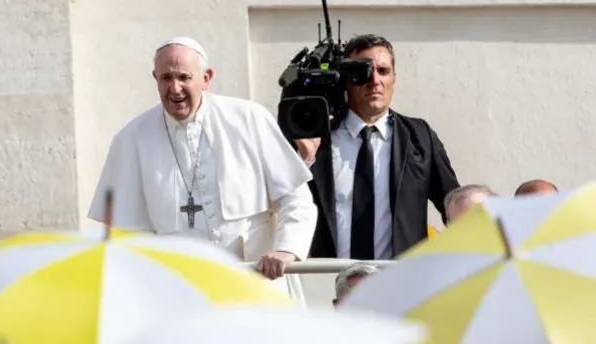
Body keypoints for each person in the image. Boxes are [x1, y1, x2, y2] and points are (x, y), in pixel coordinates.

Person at [88, 37, 318, 300]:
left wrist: (286, 250)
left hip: (256, 287)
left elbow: (296, 200)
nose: (175, 88)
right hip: (182, 296)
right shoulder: (132, 138)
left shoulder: (249, 119)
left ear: (206, 78)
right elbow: (128, 234)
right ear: (155, 79)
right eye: (166, 78)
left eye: (184, 77)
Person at [293, 34, 459, 260]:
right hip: (329, 275)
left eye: (383, 71)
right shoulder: (317, 138)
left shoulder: (419, 137)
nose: (374, 80)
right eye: (363, 71)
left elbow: (455, 207)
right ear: (346, 79)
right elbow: (286, 206)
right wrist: (305, 160)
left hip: (401, 276)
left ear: (394, 78)